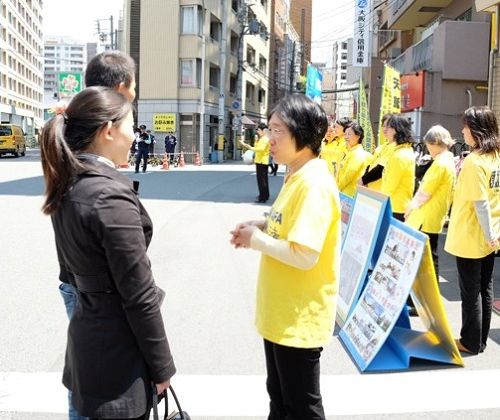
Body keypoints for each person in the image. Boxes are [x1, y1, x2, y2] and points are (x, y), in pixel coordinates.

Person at [40, 87, 176, 419]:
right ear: (109, 130)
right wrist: (163, 367)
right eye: (131, 125)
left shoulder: (69, 180)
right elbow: (138, 293)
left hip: (87, 344)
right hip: (116, 357)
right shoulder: (107, 194)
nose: (134, 136)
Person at [230, 94, 341, 419]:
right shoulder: (297, 175)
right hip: (283, 315)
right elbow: (288, 222)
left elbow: (305, 255)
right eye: (268, 129)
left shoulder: (313, 183)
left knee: (301, 408)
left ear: (302, 133)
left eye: (277, 130)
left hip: (299, 317)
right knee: (280, 402)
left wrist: (257, 240)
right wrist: (261, 224)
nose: (269, 138)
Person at [55, 50, 137, 420]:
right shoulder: (96, 172)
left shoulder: (68, 137)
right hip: (96, 286)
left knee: (86, 381)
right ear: (120, 89)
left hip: (75, 277)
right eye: (132, 89)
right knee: (98, 389)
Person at [444, 106, 500, 355]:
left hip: (472, 234)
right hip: (492, 233)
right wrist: (493, 236)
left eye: (466, 126)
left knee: (470, 292)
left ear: (477, 130)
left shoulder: (475, 162)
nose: (463, 130)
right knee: (485, 288)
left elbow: (480, 203)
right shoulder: (495, 156)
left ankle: (470, 341)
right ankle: (481, 340)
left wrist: (488, 235)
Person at [405, 125, 456, 280]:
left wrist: (409, 209)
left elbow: (424, 193)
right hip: (436, 214)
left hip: (426, 216)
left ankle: (427, 297)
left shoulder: (440, 163)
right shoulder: (448, 160)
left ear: (434, 143)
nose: (428, 149)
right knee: (429, 256)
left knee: (426, 259)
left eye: (428, 145)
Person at [380, 114, 416, 221]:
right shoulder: (403, 150)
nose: (386, 130)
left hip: (395, 207)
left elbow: (389, 186)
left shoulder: (400, 155)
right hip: (398, 205)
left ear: (397, 130)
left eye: (390, 127)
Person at [336, 121, 372, 197]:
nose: (346, 137)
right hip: (344, 193)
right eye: (345, 134)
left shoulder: (358, 154)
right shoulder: (349, 152)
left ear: (358, 136)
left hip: (350, 194)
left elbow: (348, 176)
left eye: (349, 134)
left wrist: (336, 188)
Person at [240, 122, 271, 203]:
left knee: (262, 181)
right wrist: (255, 141)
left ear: (264, 130)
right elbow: (257, 147)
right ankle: (265, 195)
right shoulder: (261, 138)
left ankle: (262, 197)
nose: (258, 131)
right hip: (260, 161)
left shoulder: (265, 139)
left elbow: (260, 149)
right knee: (263, 180)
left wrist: (249, 147)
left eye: (259, 130)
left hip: (262, 161)